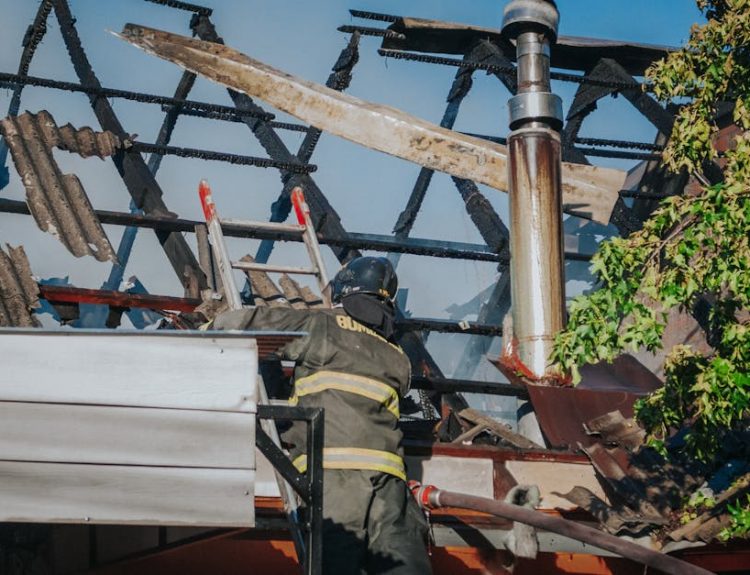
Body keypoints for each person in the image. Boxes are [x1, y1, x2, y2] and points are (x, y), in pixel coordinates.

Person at [212, 256, 432, 575]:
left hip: (334, 479)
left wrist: (204, 330)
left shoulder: (323, 327)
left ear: (345, 291)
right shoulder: (397, 356)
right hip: (390, 486)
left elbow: (252, 326)